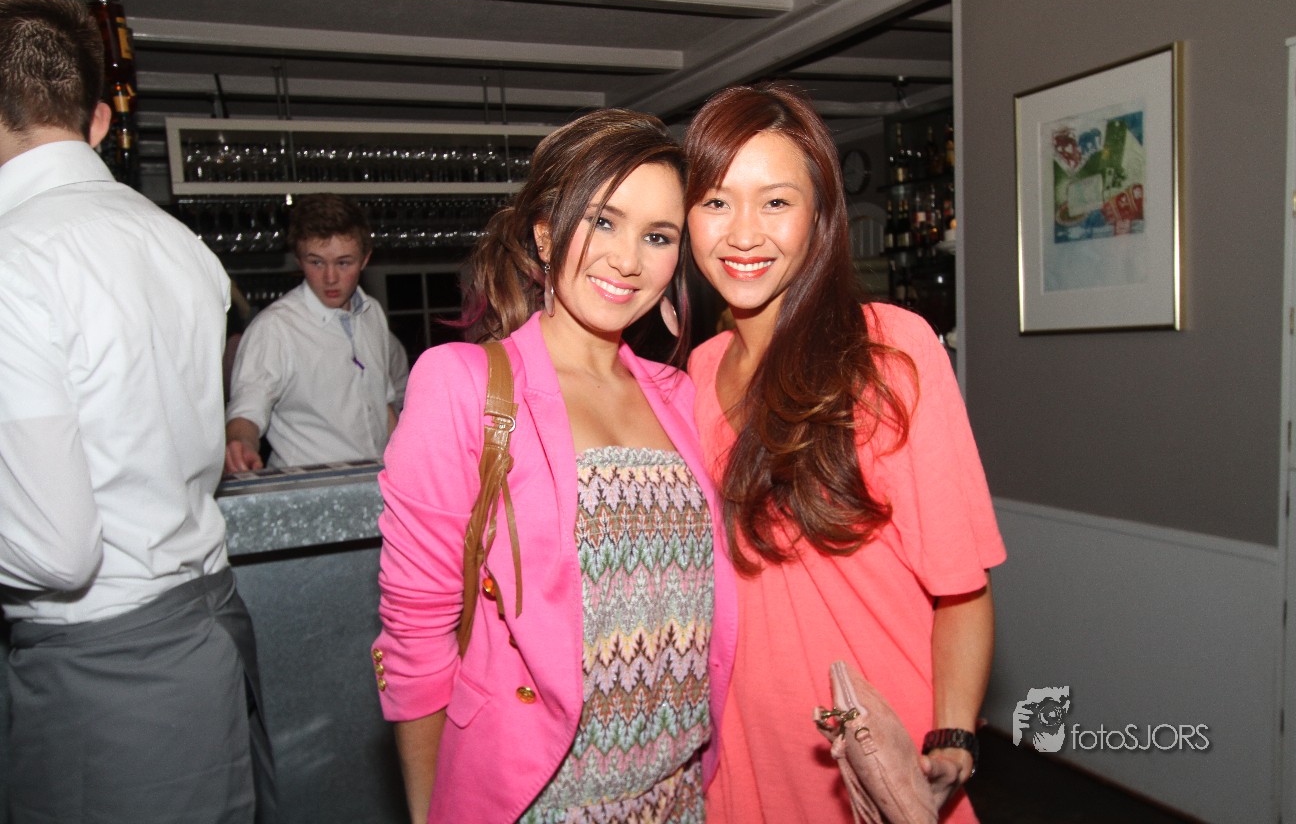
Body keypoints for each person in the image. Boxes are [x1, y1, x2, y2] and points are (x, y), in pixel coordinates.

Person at [371, 109, 738, 823]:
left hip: (680, 796)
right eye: (603, 222)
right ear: (545, 232)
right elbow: (416, 635)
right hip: (539, 801)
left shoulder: (681, 395)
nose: (627, 260)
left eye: (657, 236)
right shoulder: (463, 384)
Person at [683, 83, 1006, 823]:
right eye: (716, 201)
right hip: (740, 763)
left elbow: (962, 589)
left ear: (819, 215)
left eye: (775, 201)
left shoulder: (887, 352)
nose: (743, 233)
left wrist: (951, 738)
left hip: (872, 759)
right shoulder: (692, 376)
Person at [0, 0, 276, 823]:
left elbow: (55, 552)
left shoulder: (14, 257)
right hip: (211, 628)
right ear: (94, 119)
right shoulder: (179, 244)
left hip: (106, 668)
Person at [225, 192, 402, 471]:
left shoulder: (372, 313)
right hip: (309, 486)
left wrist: (407, 462)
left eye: (344, 262)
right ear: (299, 259)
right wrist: (240, 443)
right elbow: (247, 409)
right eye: (316, 262)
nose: (330, 277)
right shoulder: (275, 327)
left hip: (377, 479)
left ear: (365, 259)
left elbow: (384, 405)